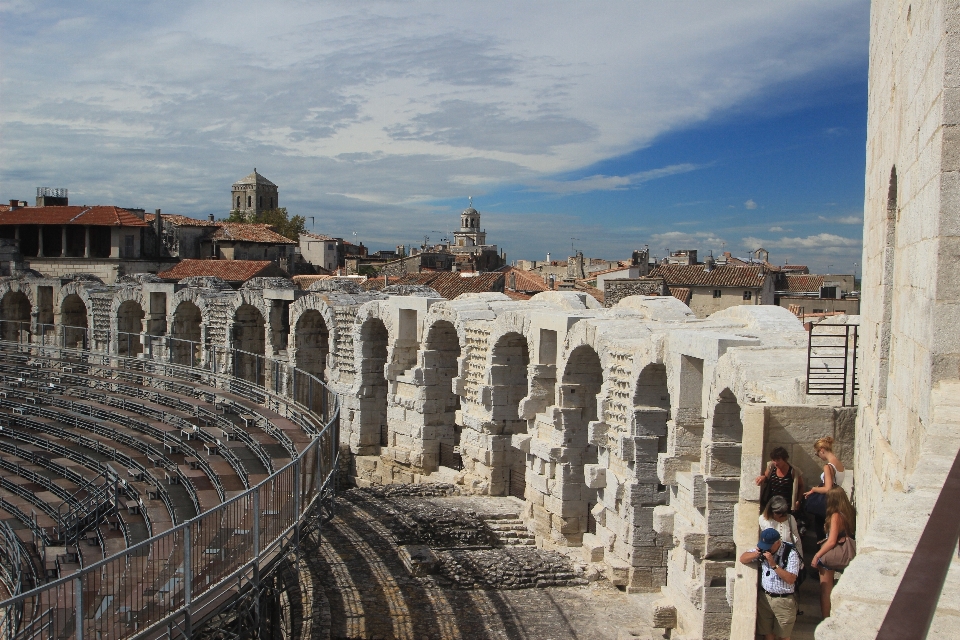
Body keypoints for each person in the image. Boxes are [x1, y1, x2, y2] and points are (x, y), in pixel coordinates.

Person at [739, 528, 801, 640]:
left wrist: (774, 564)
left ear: (777, 542)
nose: (766, 549)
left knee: (784, 635)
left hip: (783, 601)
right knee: (767, 632)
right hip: (765, 598)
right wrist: (756, 553)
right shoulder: (763, 550)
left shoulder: (791, 553)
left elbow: (791, 579)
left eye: (769, 546)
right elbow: (743, 558)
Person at [811, 486, 857, 619]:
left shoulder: (836, 516)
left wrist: (817, 555)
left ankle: (826, 618)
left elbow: (831, 541)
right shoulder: (850, 512)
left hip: (835, 554)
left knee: (825, 589)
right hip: (847, 551)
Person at [803, 436, 846, 539]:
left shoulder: (828, 466)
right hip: (837, 499)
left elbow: (827, 488)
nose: (818, 456)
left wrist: (814, 489)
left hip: (828, 501)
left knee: (821, 530)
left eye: (817, 454)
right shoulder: (839, 464)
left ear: (822, 451)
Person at [755, 446, 805, 512]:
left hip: (786, 505)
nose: (776, 463)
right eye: (774, 460)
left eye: (778, 460)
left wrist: (798, 500)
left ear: (785, 459)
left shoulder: (793, 471)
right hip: (771, 503)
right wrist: (762, 477)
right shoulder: (771, 467)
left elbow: (801, 486)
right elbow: (766, 477)